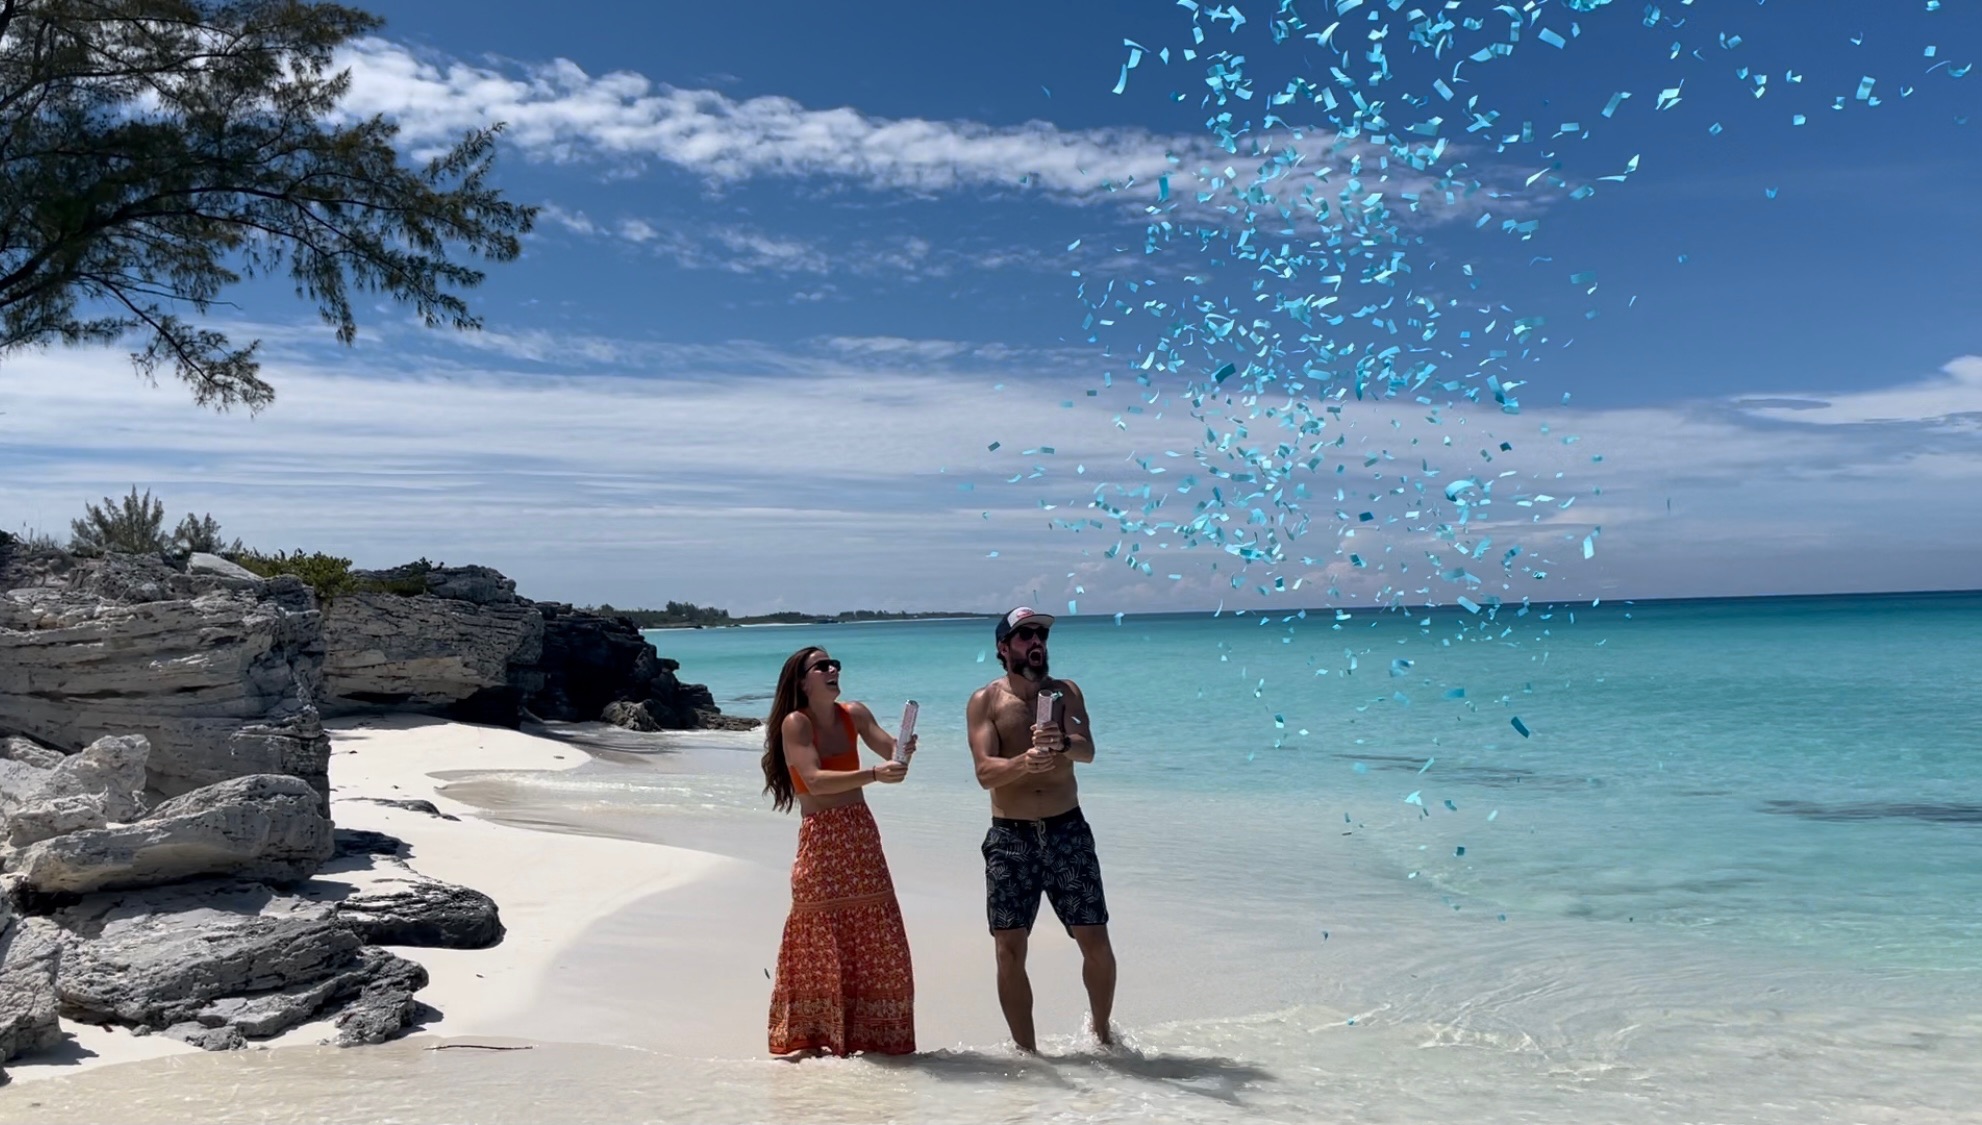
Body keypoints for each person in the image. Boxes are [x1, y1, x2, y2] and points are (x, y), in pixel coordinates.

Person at [965, 607, 1116, 1053]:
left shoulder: (1065, 692)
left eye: (1041, 635)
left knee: (1095, 938)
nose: (1037, 642)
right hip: (1010, 837)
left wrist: (1063, 743)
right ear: (1003, 647)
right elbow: (984, 772)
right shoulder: (986, 701)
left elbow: (1088, 750)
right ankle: (1028, 1055)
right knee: (1009, 948)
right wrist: (1022, 762)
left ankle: (1104, 1038)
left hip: (1067, 828)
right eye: (1025, 635)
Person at [761, 645, 918, 1057]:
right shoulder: (797, 723)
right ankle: (814, 1038)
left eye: (835, 665)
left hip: (860, 833)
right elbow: (812, 780)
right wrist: (873, 774)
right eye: (822, 666)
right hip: (821, 839)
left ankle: (875, 1036)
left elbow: (892, 758)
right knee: (819, 939)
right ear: (801, 680)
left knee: (877, 936)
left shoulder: (856, 714)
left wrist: (903, 748)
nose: (833, 670)